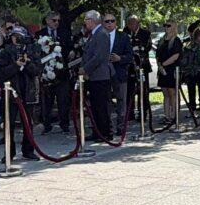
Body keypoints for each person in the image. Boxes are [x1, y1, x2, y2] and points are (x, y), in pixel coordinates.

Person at [0, 29, 42, 160]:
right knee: (9, 123)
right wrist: (16, 65)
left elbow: (37, 70)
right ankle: (9, 152)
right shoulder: (6, 52)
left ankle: (28, 150)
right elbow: (1, 73)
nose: (16, 39)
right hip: (12, 91)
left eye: (19, 37)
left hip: (28, 90)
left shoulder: (32, 50)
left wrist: (27, 62)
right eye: (14, 37)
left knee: (28, 122)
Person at [80, 10, 114, 142]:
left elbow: (98, 57)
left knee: (101, 106)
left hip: (100, 76)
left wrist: (85, 69)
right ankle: (97, 131)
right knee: (94, 106)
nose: (85, 22)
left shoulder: (101, 34)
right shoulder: (94, 34)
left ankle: (105, 132)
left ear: (92, 20)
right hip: (93, 76)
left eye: (86, 19)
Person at [39, 12, 73, 135]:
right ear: (47, 20)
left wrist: (71, 52)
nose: (56, 23)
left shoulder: (64, 33)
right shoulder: (40, 34)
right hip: (46, 73)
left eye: (58, 20)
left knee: (63, 99)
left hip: (61, 72)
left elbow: (69, 47)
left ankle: (64, 123)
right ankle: (47, 125)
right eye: (54, 20)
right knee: (46, 101)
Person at [104, 14, 133, 130]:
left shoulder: (123, 37)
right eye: (107, 21)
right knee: (106, 100)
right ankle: (107, 126)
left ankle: (121, 127)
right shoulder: (99, 36)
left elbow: (130, 55)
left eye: (112, 21)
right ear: (103, 23)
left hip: (119, 72)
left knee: (121, 99)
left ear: (116, 23)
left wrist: (120, 58)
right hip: (104, 73)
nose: (109, 23)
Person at [123, 16, 152, 121]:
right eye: (129, 23)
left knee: (143, 90)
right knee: (129, 90)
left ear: (137, 23)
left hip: (142, 65)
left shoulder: (145, 33)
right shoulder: (125, 32)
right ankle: (130, 113)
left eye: (133, 23)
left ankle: (143, 113)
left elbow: (146, 47)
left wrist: (135, 47)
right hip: (129, 66)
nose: (131, 25)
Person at [156, 21, 183, 128]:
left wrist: (163, 64)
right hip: (162, 70)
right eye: (165, 25)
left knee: (172, 94)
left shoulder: (176, 40)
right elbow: (157, 54)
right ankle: (166, 116)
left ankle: (173, 116)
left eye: (168, 25)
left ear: (174, 27)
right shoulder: (162, 39)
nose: (166, 27)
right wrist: (159, 65)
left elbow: (176, 56)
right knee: (165, 94)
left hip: (172, 70)